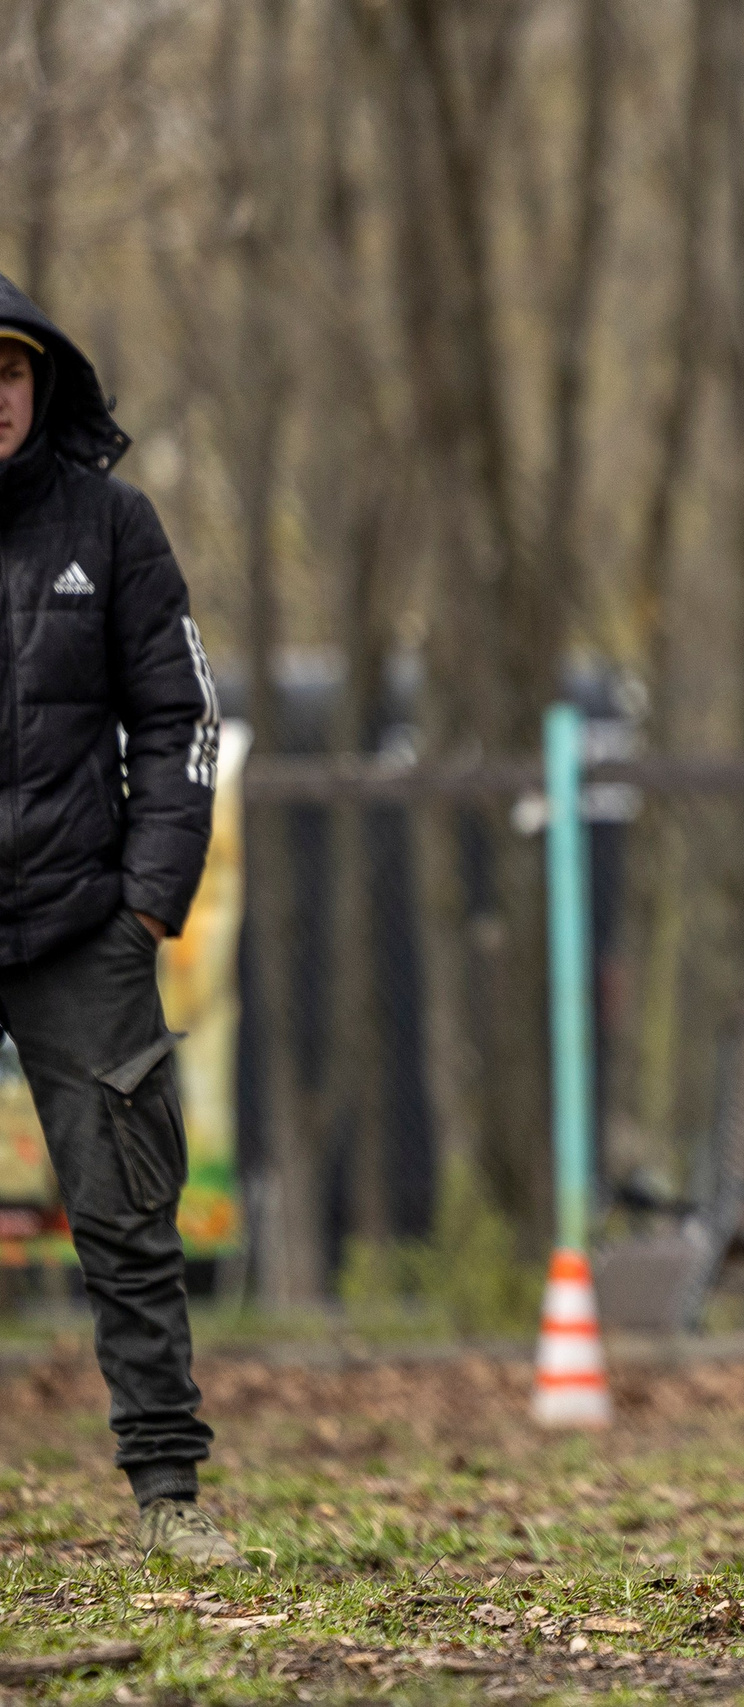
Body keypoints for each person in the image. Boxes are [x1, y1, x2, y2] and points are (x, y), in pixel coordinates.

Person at [0, 276, 232, 1564]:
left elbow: (180, 717)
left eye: (10, 374)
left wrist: (147, 901)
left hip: (86, 925)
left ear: (43, 387)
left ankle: (168, 1497)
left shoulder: (115, 526)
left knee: (129, 1219)